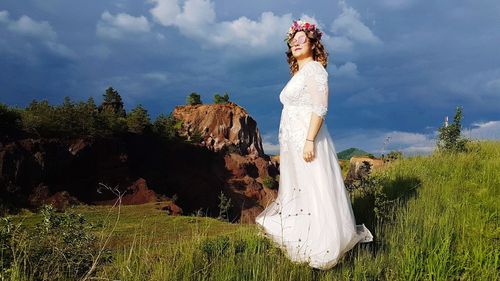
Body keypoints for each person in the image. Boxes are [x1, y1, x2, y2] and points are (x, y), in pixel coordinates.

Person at [255, 19, 374, 270]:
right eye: (293, 41)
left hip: (306, 140)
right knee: (301, 188)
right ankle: (304, 234)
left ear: (313, 43)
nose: (296, 43)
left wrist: (309, 140)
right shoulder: (299, 73)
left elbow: (320, 108)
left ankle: (323, 242)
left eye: (302, 40)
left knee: (314, 187)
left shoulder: (315, 70)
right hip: (293, 142)